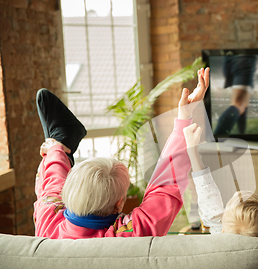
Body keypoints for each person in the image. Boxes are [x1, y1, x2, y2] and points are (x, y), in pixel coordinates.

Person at [33, 68, 210, 239]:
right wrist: (184, 118)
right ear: (119, 204)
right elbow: (165, 189)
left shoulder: (48, 222)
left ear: (69, 191)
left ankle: (59, 143)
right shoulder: (132, 233)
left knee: (50, 190)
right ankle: (59, 144)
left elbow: (52, 187)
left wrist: (54, 148)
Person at [214, 55, 257, 135]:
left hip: (228, 60)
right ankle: (216, 141)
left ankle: (243, 136)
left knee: (243, 106)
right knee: (239, 104)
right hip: (244, 58)